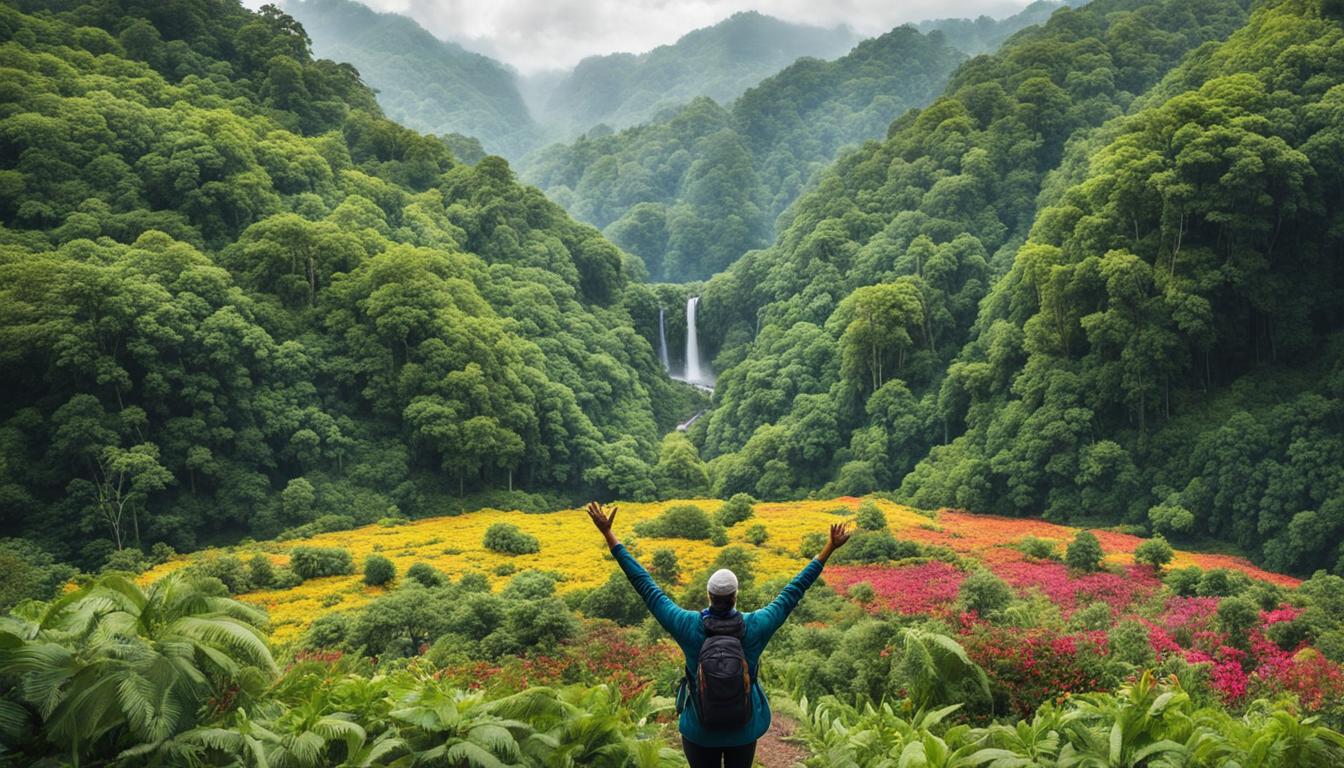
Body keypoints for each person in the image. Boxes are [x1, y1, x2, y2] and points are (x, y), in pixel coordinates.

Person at [585, 501, 851, 768]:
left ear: (709, 595)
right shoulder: (757, 625)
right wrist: (829, 547)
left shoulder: (687, 625)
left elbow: (645, 585)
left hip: (699, 730)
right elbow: (794, 591)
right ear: (736, 596)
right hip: (743, 729)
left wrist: (608, 533)